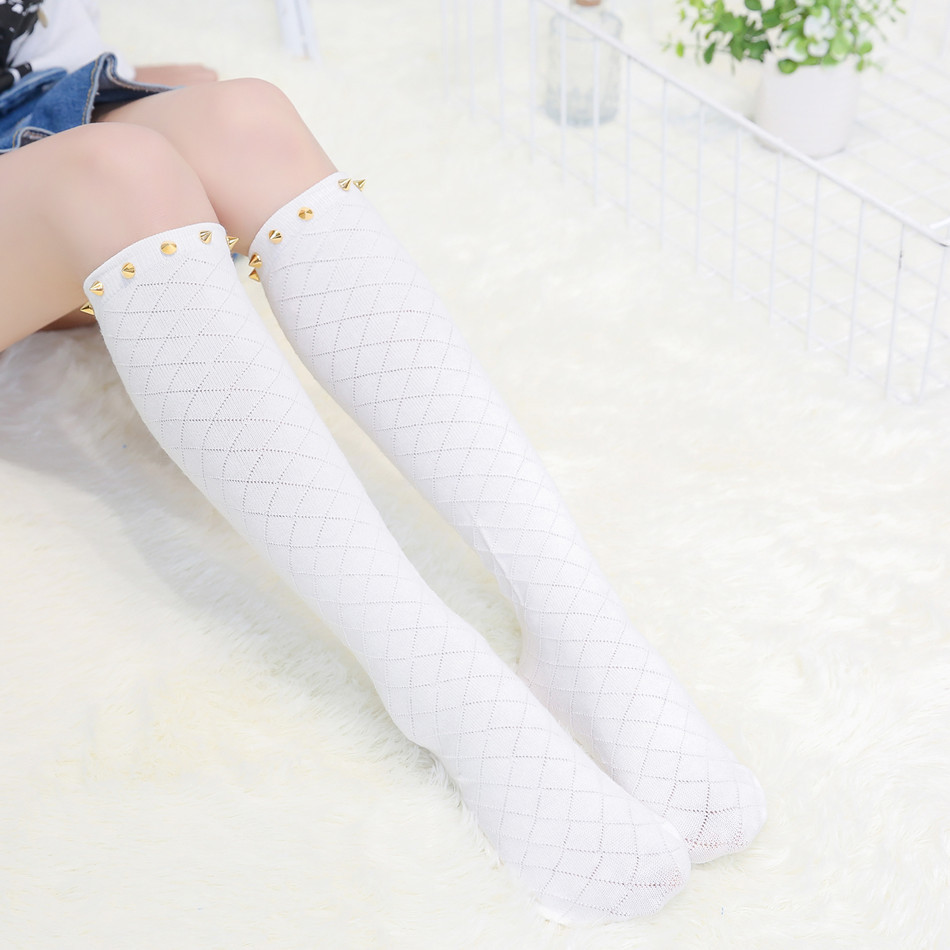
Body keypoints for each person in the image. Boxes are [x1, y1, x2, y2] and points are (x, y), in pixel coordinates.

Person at [0, 0, 765, 924]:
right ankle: (447, 689)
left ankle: (581, 627)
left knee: (246, 118)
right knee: (118, 174)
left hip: (42, 99)